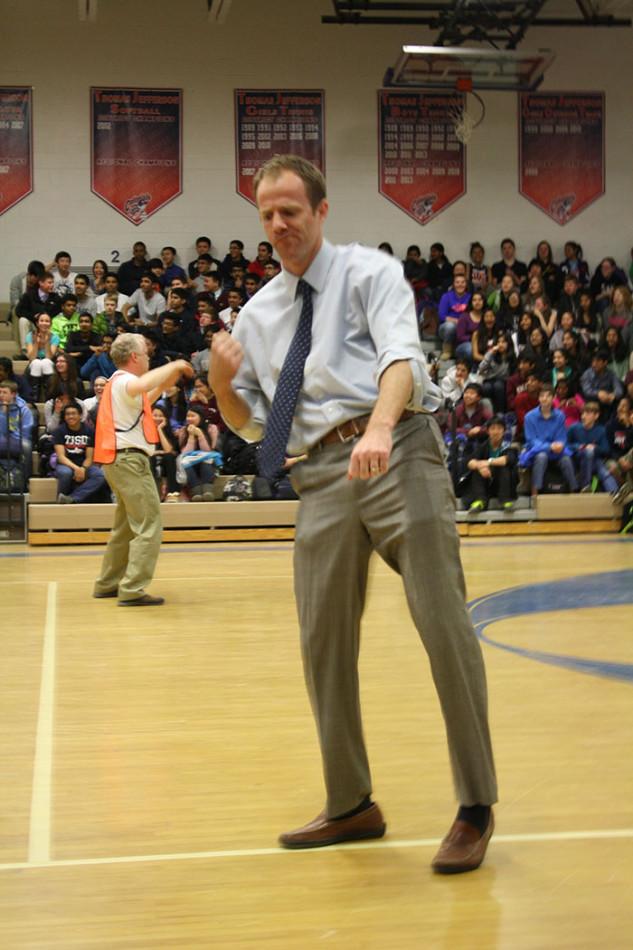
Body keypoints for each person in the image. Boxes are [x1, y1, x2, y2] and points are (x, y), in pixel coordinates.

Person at [209, 154, 497, 874]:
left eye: (291, 211)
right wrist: (221, 384)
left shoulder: (370, 274)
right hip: (322, 474)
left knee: (442, 622)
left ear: (321, 211)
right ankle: (351, 804)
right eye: (266, 214)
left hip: (397, 446)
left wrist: (377, 425)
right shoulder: (258, 314)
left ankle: (474, 805)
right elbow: (257, 433)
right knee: (321, 643)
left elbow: (402, 358)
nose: (278, 224)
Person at [93, 334, 193, 606]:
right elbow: (140, 386)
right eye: (146, 354)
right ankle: (133, 589)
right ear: (134, 357)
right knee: (149, 524)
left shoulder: (119, 384)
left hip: (118, 461)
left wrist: (165, 382)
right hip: (129, 462)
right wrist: (174, 366)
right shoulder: (125, 380)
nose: (150, 357)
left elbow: (145, 398)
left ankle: (108, 583)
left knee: (125, 528)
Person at [520, 383, 577, 498]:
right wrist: (549, 447)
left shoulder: (560, 415)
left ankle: (574, 490)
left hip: (556, 450)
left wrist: (560, 445)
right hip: (537, 451)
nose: (544, 399)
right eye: (541, 396)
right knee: (542, 456)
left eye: (547, 396)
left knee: (566, 459)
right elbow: (531, 441)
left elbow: (561, 438)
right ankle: (535, 491)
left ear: (553, 398)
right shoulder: (529, 417)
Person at [461, 415, 518, 512]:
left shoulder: (509, 445)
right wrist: (480, 467)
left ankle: (505, 501)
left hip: (505, 484)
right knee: (476, 471)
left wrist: (487, 462)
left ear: (504, 431)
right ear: (488, 431)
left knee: (504, 468)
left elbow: (506, 460)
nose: (496, 432)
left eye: (499, 428)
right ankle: (480, 501)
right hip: (486, 484)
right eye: (493, 429)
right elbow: (470, 462)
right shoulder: (483, 446)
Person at [53, 402, 106, 503]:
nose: (71, 416)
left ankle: (72, 498)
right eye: (68, 414)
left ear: (80, 415)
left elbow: (89, 457)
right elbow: (61, 456)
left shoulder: (89, 431)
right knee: (65, 473)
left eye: (74, 413)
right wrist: (77, 469)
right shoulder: (59, 431)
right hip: (66, 464)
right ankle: (59, 501)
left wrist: (83, 468)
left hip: (85, 464)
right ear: (64, 417)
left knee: (100, 475)